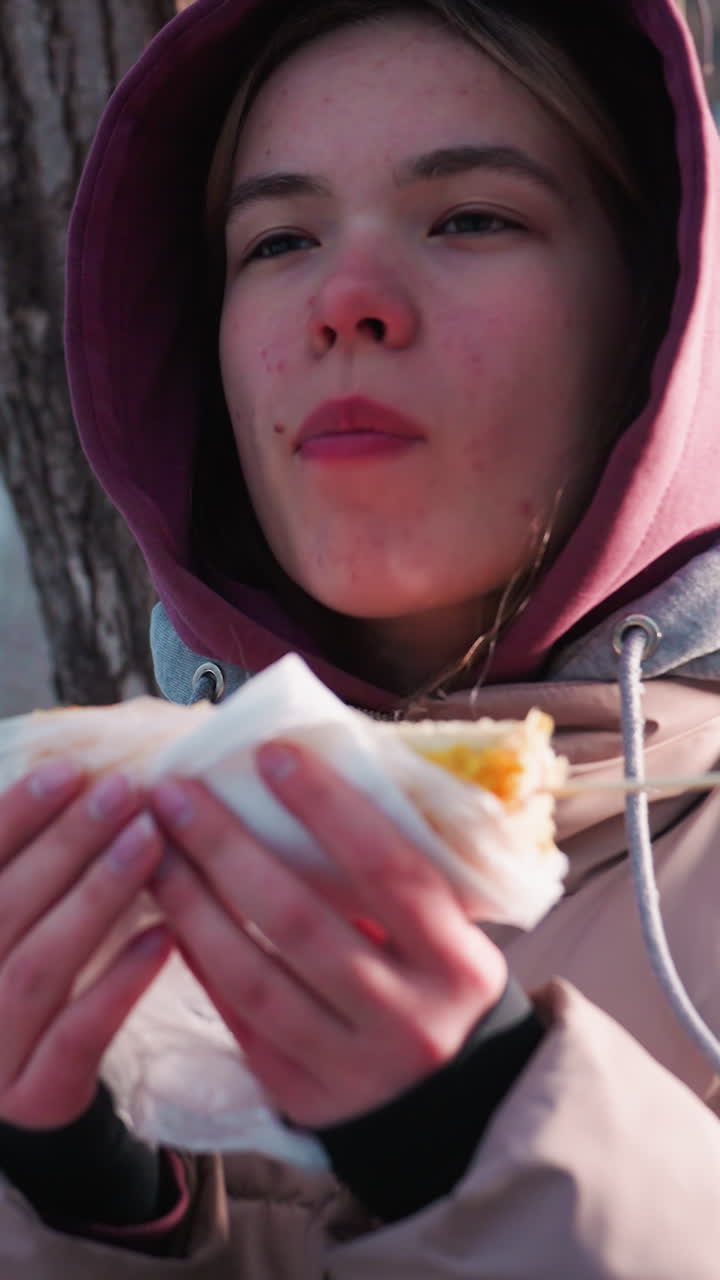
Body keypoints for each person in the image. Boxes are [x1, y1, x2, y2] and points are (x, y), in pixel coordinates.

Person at [0, 0, 719, 1273]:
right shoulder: (86, 871)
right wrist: (89, 1199)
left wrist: (488, 1135)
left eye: (471, 217)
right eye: (277, 239)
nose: (344, 300)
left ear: (656, 325)